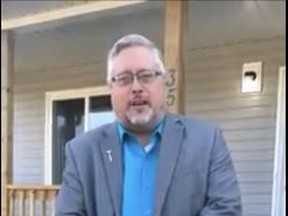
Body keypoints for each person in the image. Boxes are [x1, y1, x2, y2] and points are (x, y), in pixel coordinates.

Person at [56, 34, 242, 216]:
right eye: (124, 79)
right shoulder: (82, 152)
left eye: (146, 76)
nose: (136, 88)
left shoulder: (206, 141)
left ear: (163, 82)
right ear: (111, 89)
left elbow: (226, 209)